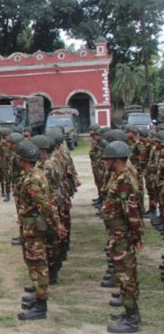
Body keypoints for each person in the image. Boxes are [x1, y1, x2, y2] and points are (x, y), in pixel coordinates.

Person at [14, 140, 66, 320]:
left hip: (34, 229)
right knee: (35, 263)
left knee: (37, 264)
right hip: (32, 227)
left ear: (22, 160)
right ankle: (38, 297)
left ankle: (41, 306)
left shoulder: (32, 180)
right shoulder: (37, 174)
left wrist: (57, 225)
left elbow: (44, 205)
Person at [101, 141, 144, 333]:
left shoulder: (124, 181)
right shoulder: (120, 177)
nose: (106, 162)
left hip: (123, 236)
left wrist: (136, 234)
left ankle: (132, 319)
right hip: (119, 234)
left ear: (116, 159)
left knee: (126, 275)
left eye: (108, 159)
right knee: (125, 274)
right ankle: (130, 312)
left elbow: (131, 211)